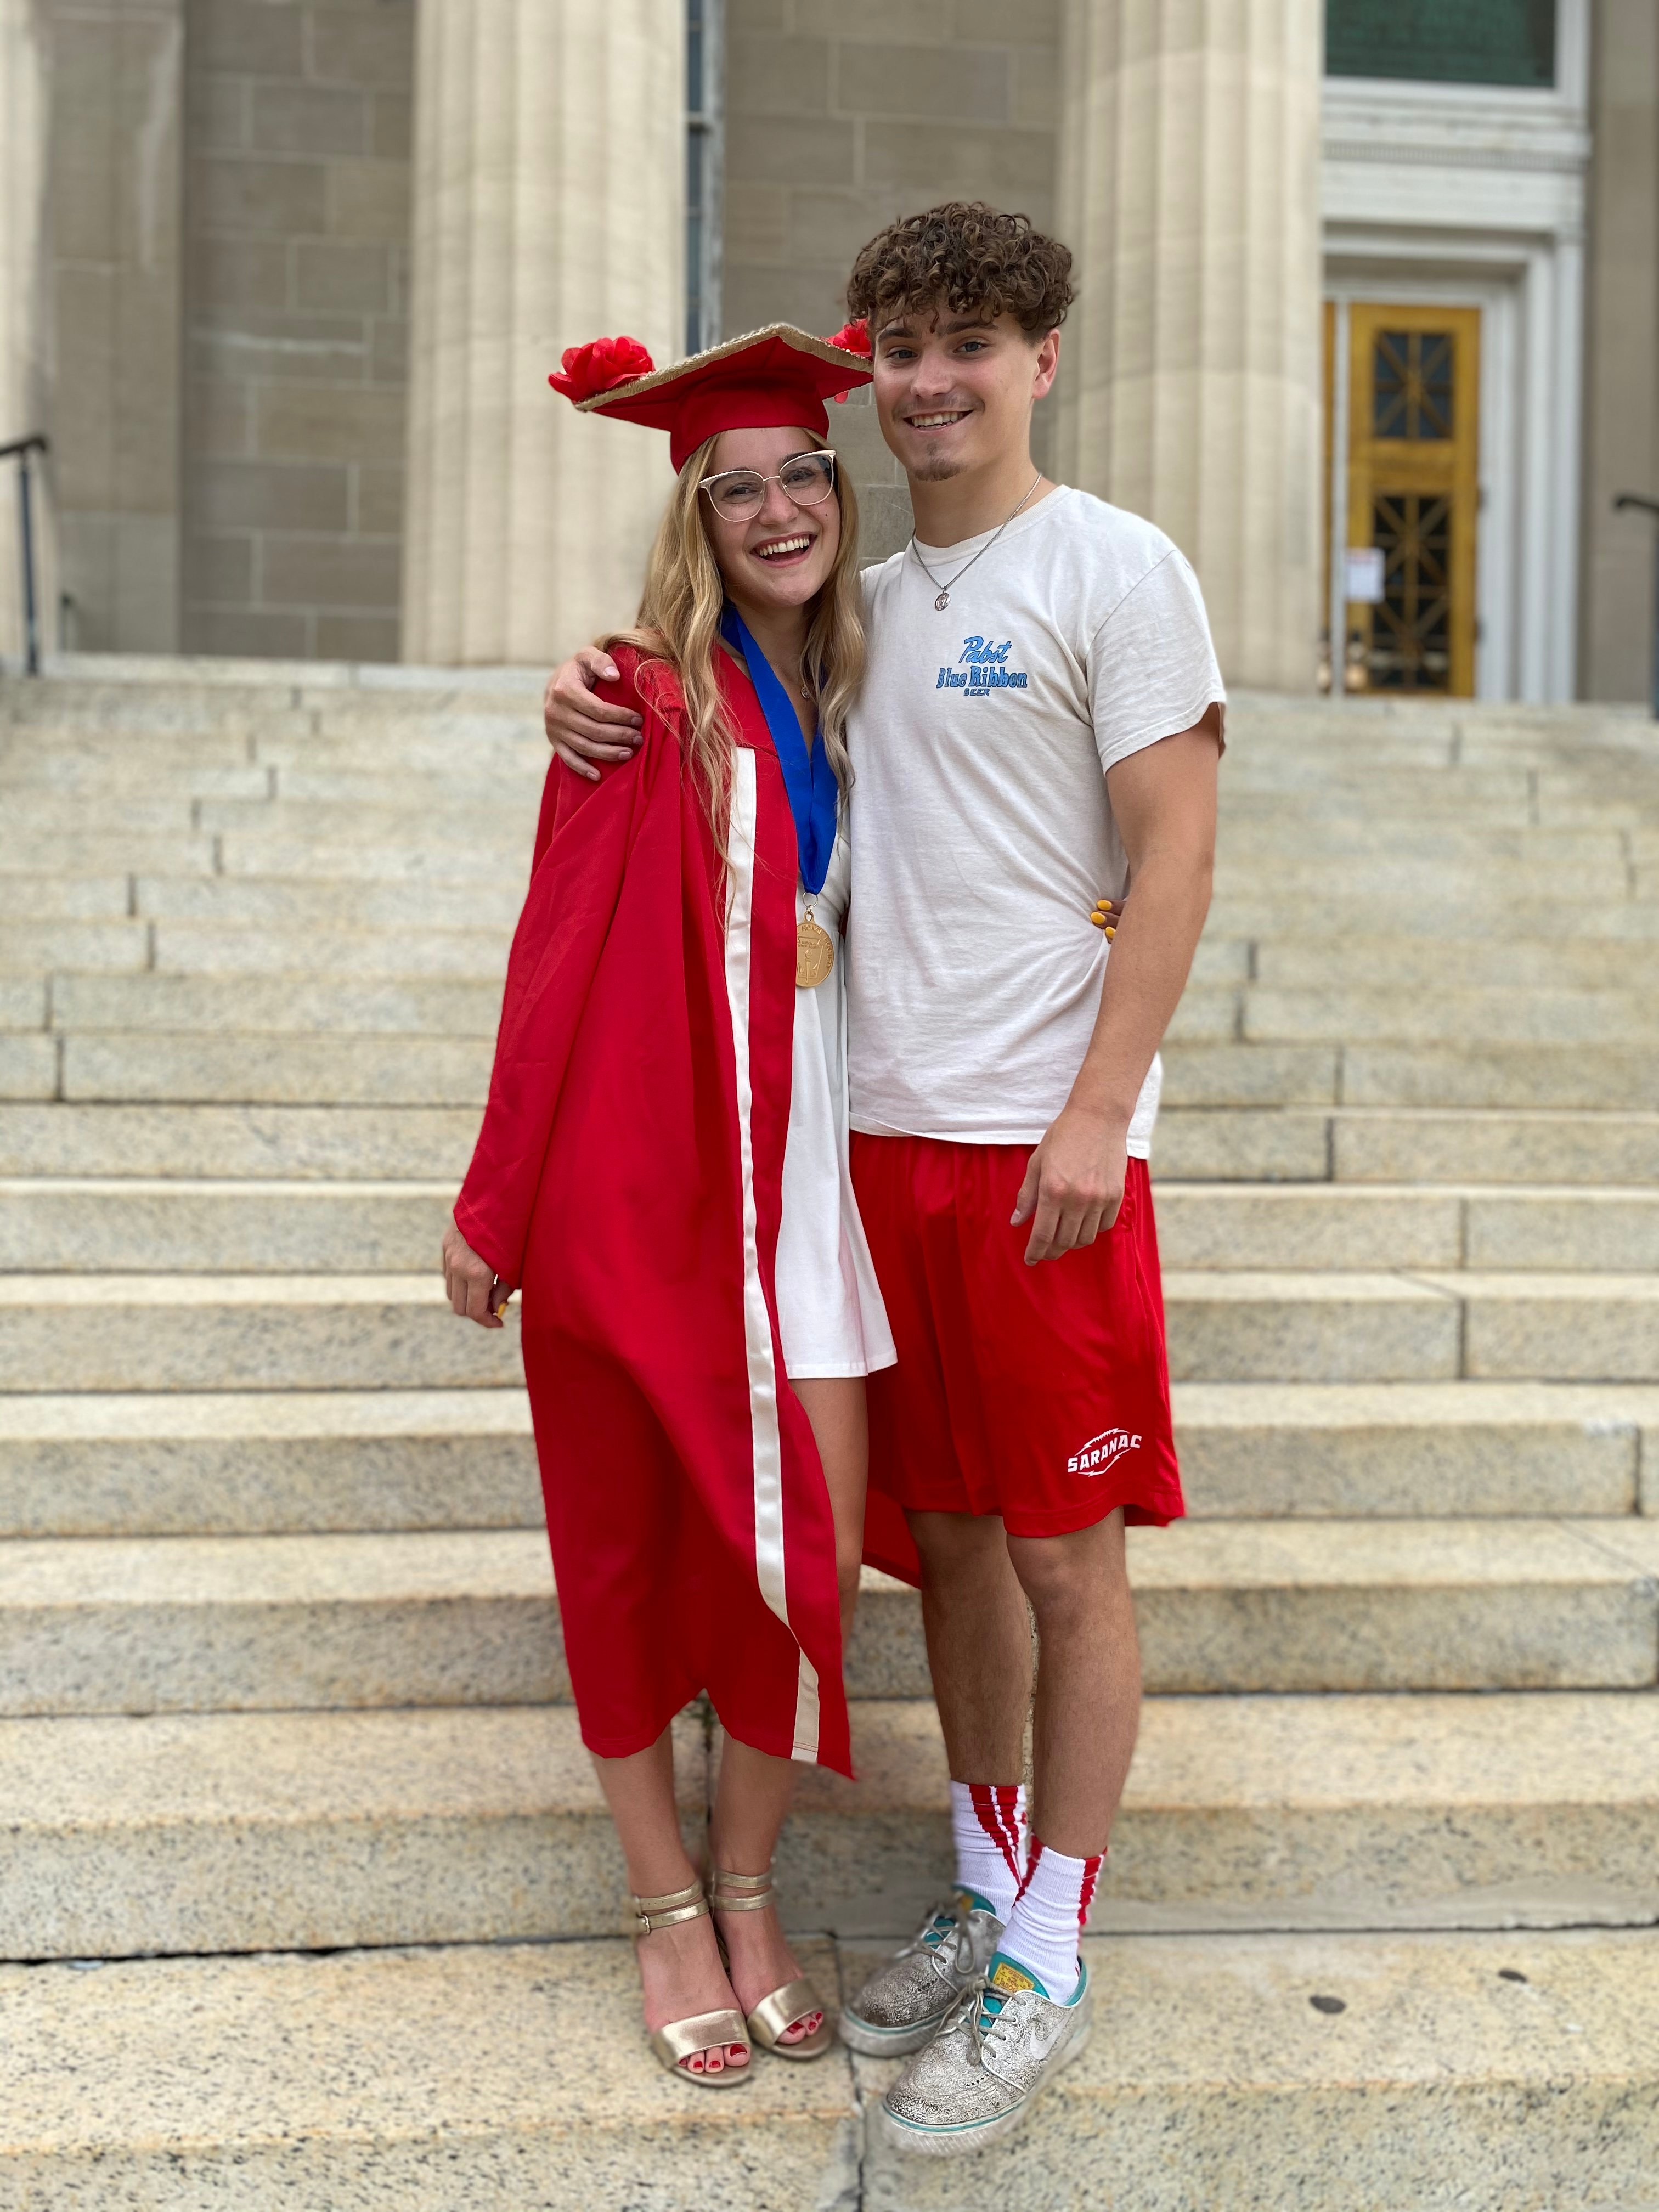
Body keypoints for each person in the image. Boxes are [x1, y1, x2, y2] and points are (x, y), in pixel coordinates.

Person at [545, 201, 1224, 2157]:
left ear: (1042, 360)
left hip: (1041, 1150)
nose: (933, 383)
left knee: (1066, 1558)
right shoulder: (863, 606)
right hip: (871, 1153)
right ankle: (985, 1879)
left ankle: (1052, 1953)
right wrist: (587, 692)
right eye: (904, 349)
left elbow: (1175, 852)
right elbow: (732, 743)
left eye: (971, 346)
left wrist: (1099, 1108)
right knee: (945, 1543)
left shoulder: (1116, 568)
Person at [442, 323, 895, 2089]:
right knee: (625, 1549)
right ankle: (663, 1903)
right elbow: (555, 951)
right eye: (737, 488)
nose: (779, 511)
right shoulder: (637, 702)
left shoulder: (861, 685)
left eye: (802, 475)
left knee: (802, 1566)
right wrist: (498, 1198)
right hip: (650, 1191)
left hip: (815, 1193)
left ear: (838, 492)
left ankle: (751, 1885)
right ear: (693, 519)